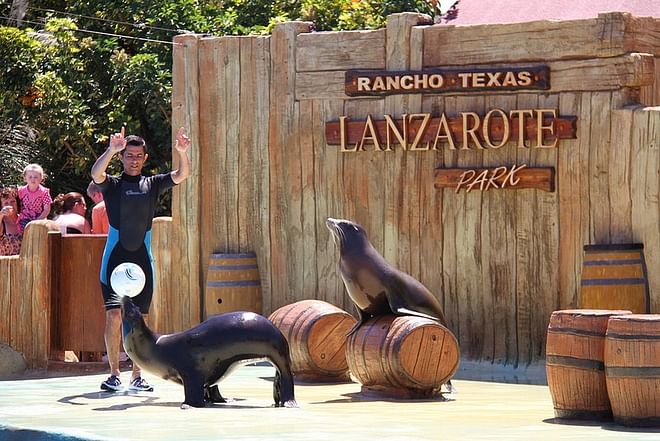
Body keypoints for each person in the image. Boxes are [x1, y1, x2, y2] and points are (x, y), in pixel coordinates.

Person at [91, 126, 191, 392]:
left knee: (141, 319)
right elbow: (96, 174)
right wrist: (111, 150)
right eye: (129, 155)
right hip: (114, 261)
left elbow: (182, 175)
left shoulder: (153, 184)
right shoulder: (113, 185)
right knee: (114, 315)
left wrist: (182, 152)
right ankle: (114, 374)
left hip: (142, 262)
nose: (133, 160)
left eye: (138, 156)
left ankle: (137, 375)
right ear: (122, 158)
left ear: (145, 158)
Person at [17, 163, 52, 233]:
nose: (33, 179)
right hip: (24, 218)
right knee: (25, 231)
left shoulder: (44, 192)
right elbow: (17, 205)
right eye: (30, 177)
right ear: (25, 178)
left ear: (41, 178)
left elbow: (46, 209)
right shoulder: (20, 190)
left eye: (36, 177)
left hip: (39, 218)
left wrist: (38, 220)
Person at [0, 187, 22, 256]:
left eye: (13, 201)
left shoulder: (24, 219)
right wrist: (1, 215)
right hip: (5, 262)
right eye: (6, 203)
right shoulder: (2, 222)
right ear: (1, 207)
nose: (10, 205)